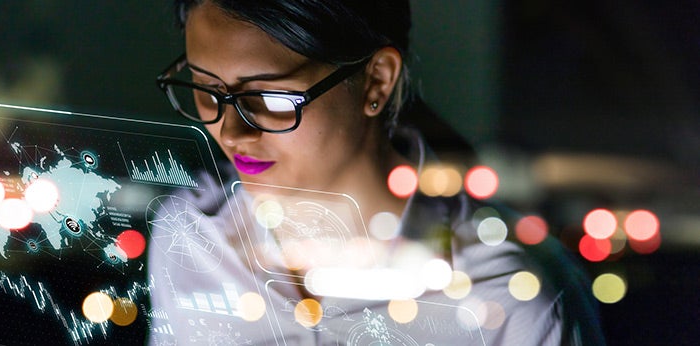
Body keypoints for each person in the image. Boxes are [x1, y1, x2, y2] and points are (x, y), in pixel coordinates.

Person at [148, 0, 606, 345]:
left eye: (271, 98)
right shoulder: (188, 237)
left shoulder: (509, 298)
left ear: (376, 82)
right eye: (206, 91)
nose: (230, 132)